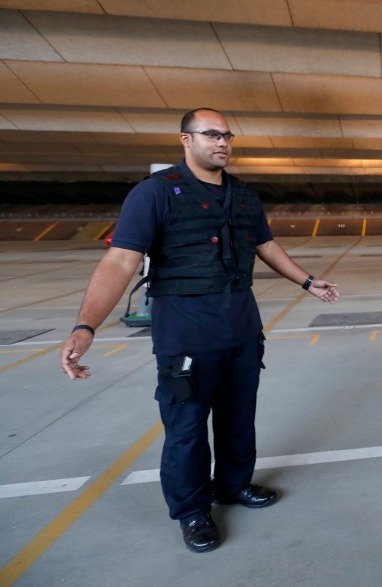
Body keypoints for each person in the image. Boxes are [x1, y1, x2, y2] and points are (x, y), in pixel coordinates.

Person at [59, 108, 340, 554]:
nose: (222, 142)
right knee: (186, 428)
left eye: (227, 135)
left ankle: (233, 486)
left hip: (242, 331)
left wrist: (306, 280)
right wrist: (85, 325)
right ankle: (192, 510)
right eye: (211, 134)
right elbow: (119, 260)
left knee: (237, 418)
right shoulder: (155, 194)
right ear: (185, 140)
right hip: (186, 337)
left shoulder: (244, 196)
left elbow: (264, 244)